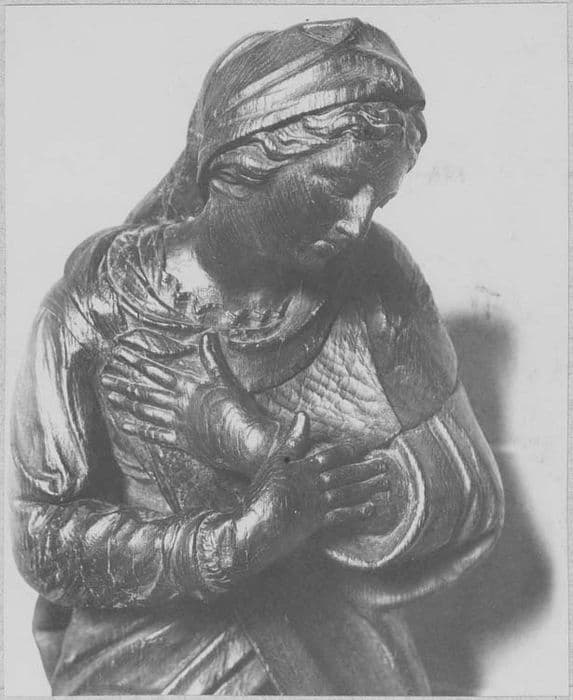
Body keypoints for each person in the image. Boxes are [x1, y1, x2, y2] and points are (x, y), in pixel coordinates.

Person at [11, 17, 504, 695]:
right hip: (152, 661)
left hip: (334, 656)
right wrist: (237, 542)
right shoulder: (99, 308)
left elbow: (463, 494)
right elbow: (43, 536)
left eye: (379, 197)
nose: (356, 221)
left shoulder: (377, 274)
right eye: (337, 185)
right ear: (244, 162)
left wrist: (256, 445)